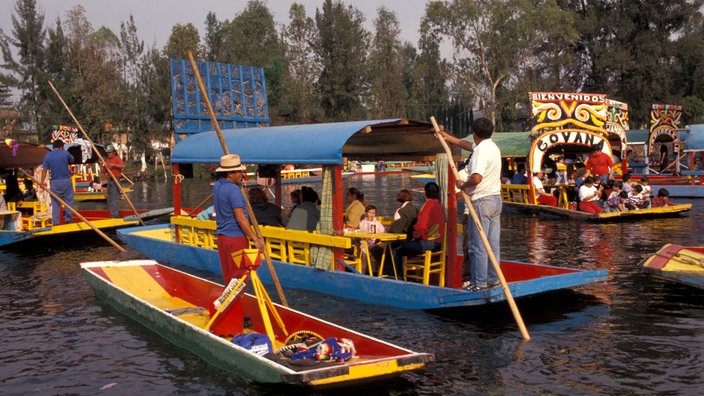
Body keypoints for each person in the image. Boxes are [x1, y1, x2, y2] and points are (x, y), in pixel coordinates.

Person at [440, 117, 502, 291]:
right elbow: (468, 146)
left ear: (474, 133)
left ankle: (479, 283)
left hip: (482, 200)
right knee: (492, 244)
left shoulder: (481, 151)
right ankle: (493, 280)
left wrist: (463, 184)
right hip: (495, 200)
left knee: (477, 246)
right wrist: (448, 138)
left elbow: (476, 178)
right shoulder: (491, 147)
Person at [212, 154, 264, 283]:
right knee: (239, 279)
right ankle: (235, 303)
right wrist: (255, 239)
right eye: (239, 171)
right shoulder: (233, 190)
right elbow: (241, 218)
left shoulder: (217, 186)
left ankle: (230, 303)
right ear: (230, 173)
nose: (241, 173)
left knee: (229, 278)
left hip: (222, 238)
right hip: (235, 238)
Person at [394, 182, 446, 276]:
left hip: (428, 243)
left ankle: (397, 277)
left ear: (425, 193)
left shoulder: (428, 206)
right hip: (438, 242)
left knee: (396, 248)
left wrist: (415, 236)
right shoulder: (439, 205)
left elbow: (422, 227)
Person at [370, 189, 418, 274]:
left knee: (376, 249)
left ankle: (386, 271)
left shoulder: (401, 211)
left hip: (401, 240)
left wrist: (381, 239)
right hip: (412, 239)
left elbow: (395, 231)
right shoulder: (415, 209)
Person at [41, 139, 75, 224]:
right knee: (69, 200)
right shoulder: (65, 153)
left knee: (55, 203)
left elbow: (44, 170)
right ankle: (68, 220)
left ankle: (55, 222)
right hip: (66, 180)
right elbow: (72, 160)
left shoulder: (48, 156)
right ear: (61, 147)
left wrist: (42, 183)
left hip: (55, 182)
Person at [358, 205, 386, 273]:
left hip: (375, 242)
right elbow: (361, 232)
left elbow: (383, 232)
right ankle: (363, 271)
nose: (371, 215)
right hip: (366, 241)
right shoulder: (363, 222)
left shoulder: (377, 223)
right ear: (366, 213)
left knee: (374, 255)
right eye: (370, 212)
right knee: (364, 254)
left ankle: (374, 271)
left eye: (373, 213)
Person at [103, 144, 125, 218]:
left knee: (115, 198)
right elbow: (103, 172)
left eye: (110, 152)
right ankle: (112, 214)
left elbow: (123, 166)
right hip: (109, 180)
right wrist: (101, 164)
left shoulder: (117, 159)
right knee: (109, 199)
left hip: (116, 180)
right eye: (107, 152)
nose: (108, 154)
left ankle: (115, 215)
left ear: (113, 152)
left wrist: (114, 165)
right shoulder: (107, 161)